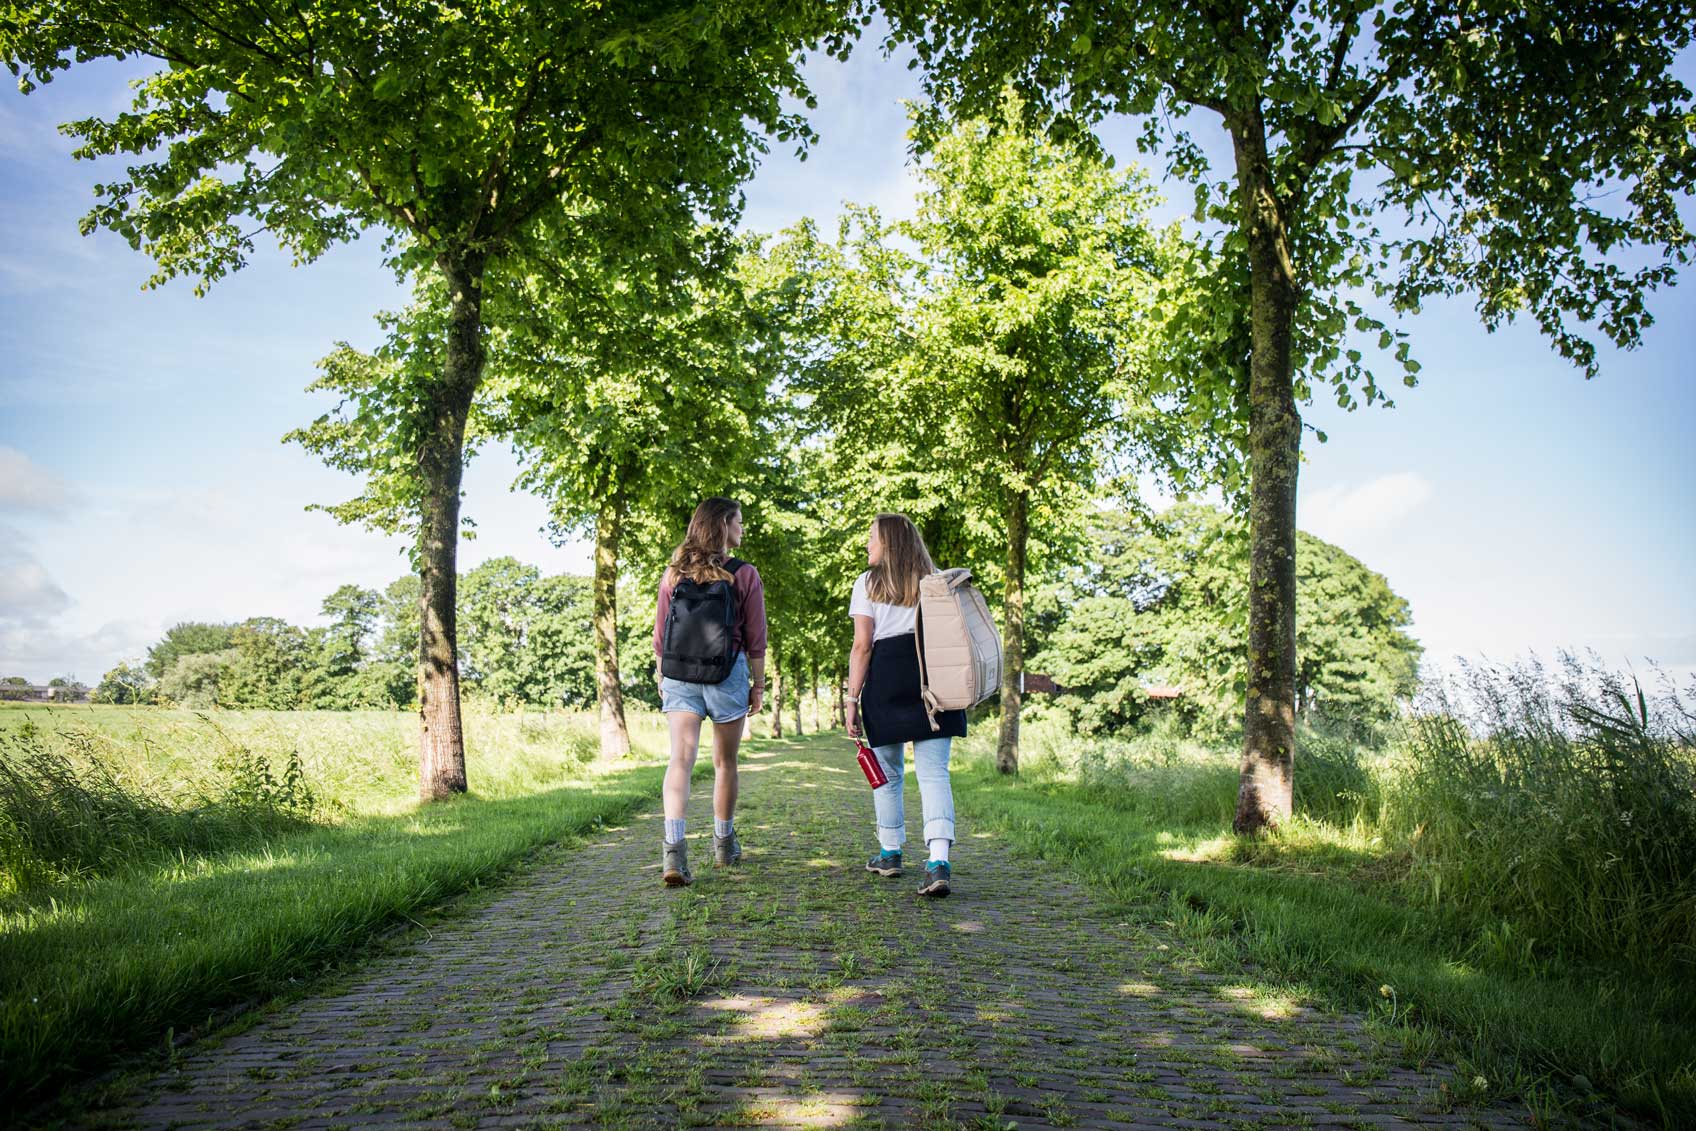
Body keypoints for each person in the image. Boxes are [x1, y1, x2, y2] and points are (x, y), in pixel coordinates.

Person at [845, 513, 967, 898]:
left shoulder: (867, 584)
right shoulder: (939, 581)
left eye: (872, 538)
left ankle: (890, 853)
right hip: (935, 677)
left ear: (890, 544)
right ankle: (938, 862)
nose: (867, 544)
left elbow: (862, 645)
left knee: (888, 773)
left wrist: (851, 699)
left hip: (886, 676)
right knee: (934, 774)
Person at [653, 497, 767, 886]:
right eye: (739, 522)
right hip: (727, 674)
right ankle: (723, 844)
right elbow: (756, 638)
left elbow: (659, 638)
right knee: (725, 763)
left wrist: (662, 678)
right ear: (723, 526)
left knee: (680, 761)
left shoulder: (674, 574)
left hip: (680, 674)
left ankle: (674, 852)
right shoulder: (744, 574)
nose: (743, 529)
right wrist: (759, 685)